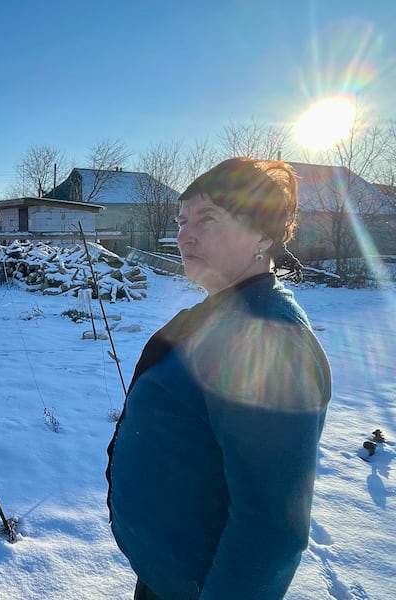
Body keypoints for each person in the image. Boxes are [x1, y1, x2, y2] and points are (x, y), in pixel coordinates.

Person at [106, 157, 332, 600]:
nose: (184, 234)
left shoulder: (268, 339)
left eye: (207, 218)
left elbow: (271, 528)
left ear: (263, 234)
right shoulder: (223, 312)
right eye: (182, 219)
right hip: (168, 576)